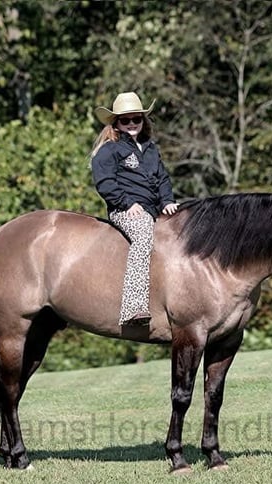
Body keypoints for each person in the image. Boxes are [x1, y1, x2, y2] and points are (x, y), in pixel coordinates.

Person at [90, 91, 179, 326]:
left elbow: (162, 178)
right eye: (125, 120)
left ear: (143, 120)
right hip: (125, 210)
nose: (131, 124)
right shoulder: (108, 150)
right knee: (142, 236)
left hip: (154, 208)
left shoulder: (150, 148)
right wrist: (127, 204)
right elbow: (105, 183)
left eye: (136, 119)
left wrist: (168, 201)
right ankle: (133, 307)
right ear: (116, 123)